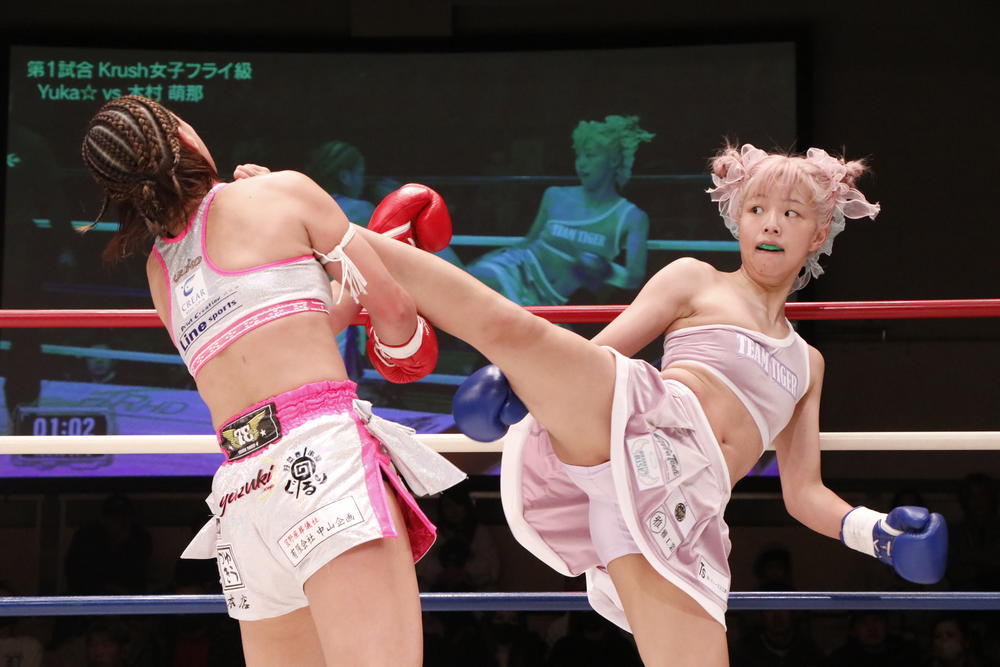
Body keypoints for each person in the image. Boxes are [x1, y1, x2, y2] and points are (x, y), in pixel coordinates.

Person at [337, 142, 947, 666]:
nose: (771, 225)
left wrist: (878, 534)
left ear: (817, 233)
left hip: (685, 511)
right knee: (517, 334)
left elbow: (804, 493)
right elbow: (598, 356)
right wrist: (523, 385)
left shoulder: (807, 362)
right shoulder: (693, 279)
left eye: (791, 213)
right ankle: (345, 239)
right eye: (757, 209)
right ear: (738, 221)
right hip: (643, 424)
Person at [80, 95, 465, 666]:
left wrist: (311, 248)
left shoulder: (159, 270)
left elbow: (290, 329)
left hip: (244, 494)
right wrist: (395, 339)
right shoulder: (281, 192)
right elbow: (398, 319)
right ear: (182, 138)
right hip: (320, 462)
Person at [467, 115, 653, 305]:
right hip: (515, 269)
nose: (581, 163)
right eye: (579, 155)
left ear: (613, 160)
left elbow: (635, 278)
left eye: (590, 155)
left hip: (547, 298)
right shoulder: (555, 195)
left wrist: (607, 271)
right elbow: (529, 241)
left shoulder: (631, 217)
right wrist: (488, 259)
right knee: (468, 286)